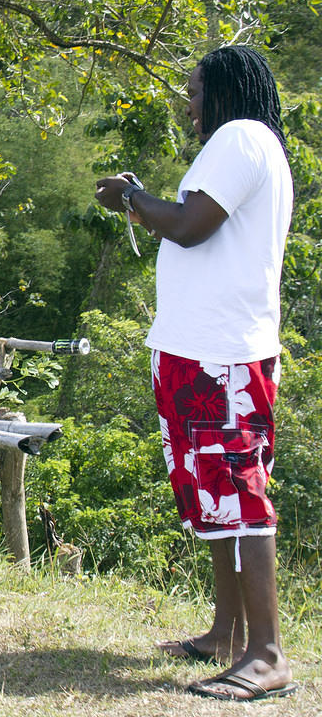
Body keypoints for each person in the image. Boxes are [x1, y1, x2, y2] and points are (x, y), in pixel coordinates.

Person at [96, 46, 294, 701]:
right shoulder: (245, 143)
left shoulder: (240, 138)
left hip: (222, 356)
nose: (189, 103)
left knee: (237, 492)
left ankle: (265, 655)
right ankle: (225, 635)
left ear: (225, 91)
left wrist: (130, 197)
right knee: (212, 493)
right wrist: (140, 202)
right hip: (199, 352)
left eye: (195, 91)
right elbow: (189, 223)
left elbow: (188, 226)